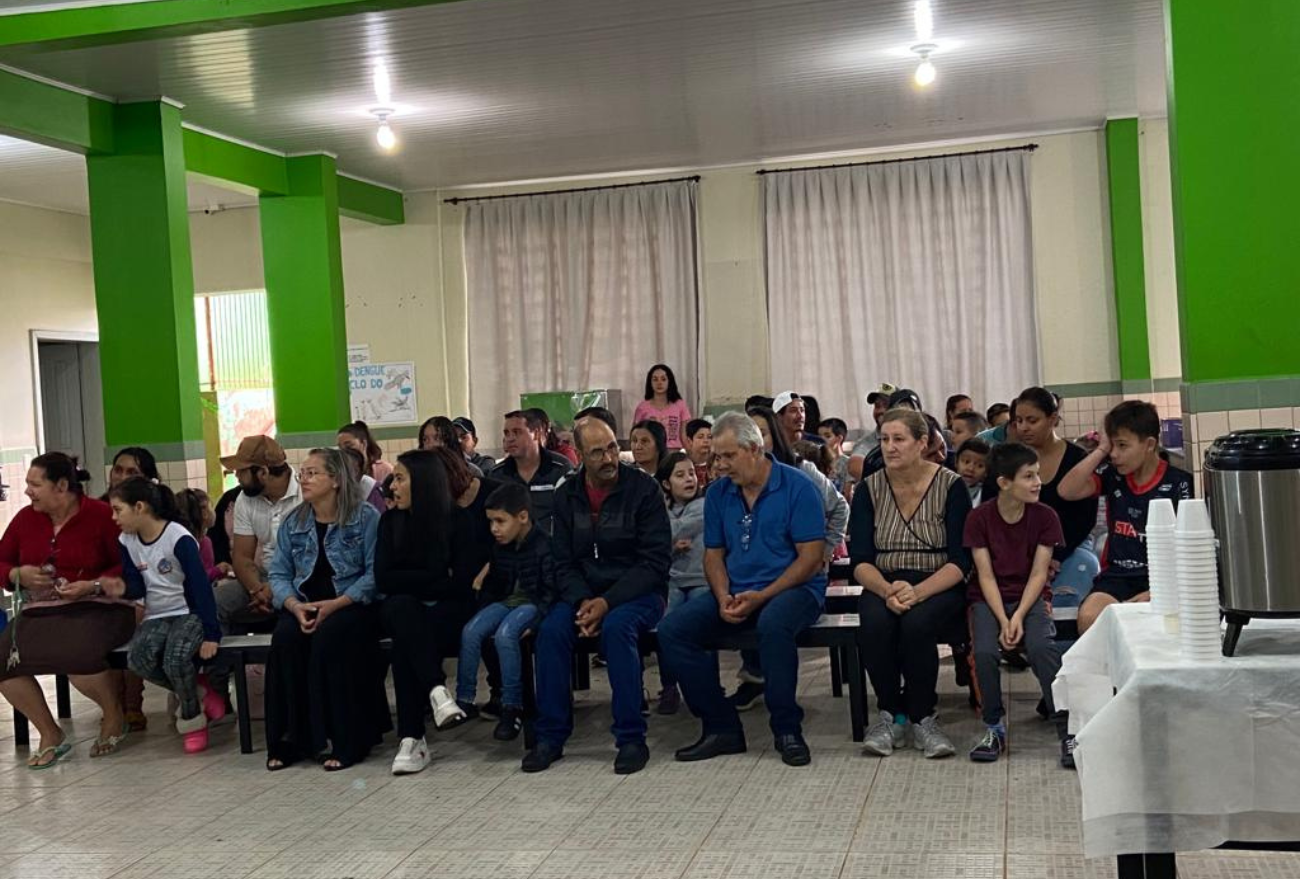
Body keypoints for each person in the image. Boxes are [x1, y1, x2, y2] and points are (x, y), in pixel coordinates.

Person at [658, 412, 828, 767]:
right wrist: (722, 596)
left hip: (794, 588)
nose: (719, 465)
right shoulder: (720, 493)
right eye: (716, 457)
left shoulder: (797, 486)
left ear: (754, 449)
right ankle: (721, 727)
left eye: (727, 456)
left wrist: (763, 597)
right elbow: (714, 556)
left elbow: (810, 559)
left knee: (773, 626)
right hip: (737, 590)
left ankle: (787, 729)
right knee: (674, 631)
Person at [522, 417, 671, 775]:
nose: (608, 459)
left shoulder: (644, 490)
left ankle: (631, 738)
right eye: (596, 453)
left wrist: (606, 603)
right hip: (583, 595)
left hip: (639, 593)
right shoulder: (566, 496)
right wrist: (582, 602)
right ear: (580, 458)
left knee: (618, 628)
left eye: (611, 448)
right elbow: (562, 561)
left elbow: (654, 563)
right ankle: (551, 737)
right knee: (552, 631)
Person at [851, 409, 973, 760]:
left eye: (899, 439)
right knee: (874, 622)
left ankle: (923, 716)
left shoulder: (950, 485)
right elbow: (859, 560)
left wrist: (917, 592)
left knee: (917, 623)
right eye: (884, 439)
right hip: (883, 580)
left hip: (936, 581)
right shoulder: (869, 489)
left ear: (922, 443)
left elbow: (960, 561)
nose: (889, 447)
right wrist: (887, 590)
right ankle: (891, 715)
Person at [0, 453, 134, 767]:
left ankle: (114, 715)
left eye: (35, 484)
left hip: (99, 607)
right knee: (2, 659)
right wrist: (17, 574)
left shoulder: (102, 516)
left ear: (61, 486)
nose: (28, 491)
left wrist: (93, 585)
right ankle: (50, 732)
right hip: (41, 610)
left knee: (76, 653)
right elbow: (2, 561)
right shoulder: (24, 519)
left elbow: (129, 566)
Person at [265, 448, 385, 771]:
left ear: (335, 480)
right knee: (285, 640)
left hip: (350, 604)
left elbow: (376, 574)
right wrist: (293, 605)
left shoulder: (366, 517)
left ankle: (345, 739)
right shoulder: (294, 522)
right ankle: (291, 739)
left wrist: (336, 605)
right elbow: (278, 573)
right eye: (302, 473)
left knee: (330, 638)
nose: (304, 479)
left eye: (313, 473)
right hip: (304, 604)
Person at [732, 405, 848, 708]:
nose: (754, 441)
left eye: (762, 433)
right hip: (756, 572)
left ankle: (780, 703)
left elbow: (840, 509)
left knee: (772, 616)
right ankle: (754, 677)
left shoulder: (800, 470)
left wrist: (824, 550)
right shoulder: (736, 481)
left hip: (800, 573)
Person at [962, 443, 1071, 767]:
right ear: (1004, 482)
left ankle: (1067, 728)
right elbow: (986, 576)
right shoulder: (979, 519)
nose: (1038, 482)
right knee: (983, 652)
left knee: (1041, 648)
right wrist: (1003, 619)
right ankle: (993, 726)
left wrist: (1019, 615)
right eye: (1028, 476)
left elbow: (1039, 573)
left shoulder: (1045, 516)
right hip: (988, 598)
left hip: (1030, 596)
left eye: (1037, 474)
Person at [376, 450, 477, 774]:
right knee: (402, 609)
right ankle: (436, 691)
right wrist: (435, 577)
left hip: (449, 613)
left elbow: (460, 584)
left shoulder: (459, 521)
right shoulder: (390, 522)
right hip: (405, 611)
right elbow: (384, 579)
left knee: (407, 635)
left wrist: (413, 581)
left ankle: (412, 739)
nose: (392, 486)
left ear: (423, 482)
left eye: (401, 478)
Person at [1057, 400, 1193, 634]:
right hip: (1118, 576)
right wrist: (1101, 449)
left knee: (1152, 624)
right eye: (1112, 446)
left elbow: (1191, 549)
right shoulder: (1113, 476)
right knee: (1089, 618)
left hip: (1166, 578)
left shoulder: (1179, 483)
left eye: (1122, 446)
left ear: (1149, 444)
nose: (1115, 454)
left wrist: (1158, 592)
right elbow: (1066, 491)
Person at [110, 478, 223, 753]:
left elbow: (199, 587)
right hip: (156, 615)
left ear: (139, 507)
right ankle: (197, 691)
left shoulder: (178, 537)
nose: (114, 518)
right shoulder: (126, 540)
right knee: (138, 658)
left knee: (175, 658)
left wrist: (211, 633)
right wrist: (121, 588)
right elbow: (137, 585)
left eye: (118, 510)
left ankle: (192, 721)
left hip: (188, 612)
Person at [454, 483, 556, 742]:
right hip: (506, 601)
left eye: (500, 521)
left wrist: (540, 619)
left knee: (506, 635)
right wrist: (484, 602)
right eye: (491, 522)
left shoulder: (544, 545)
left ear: (523, 517)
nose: (494, 529)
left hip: (531, 604)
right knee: (471, 631)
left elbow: (551, 591)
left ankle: (512, 706)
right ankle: (464, 700)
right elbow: (496, 584)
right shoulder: (501, 547)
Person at [213, 436, 301, 702]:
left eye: (241, 470)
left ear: (262, 472)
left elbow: (308, 560)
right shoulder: (245, 499)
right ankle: (216, 689)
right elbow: (241, 556)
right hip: (261, 579)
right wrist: (256, 589)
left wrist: (276, 590)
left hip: (301, 579)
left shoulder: (306, 494)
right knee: (214, 602)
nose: (236, 475)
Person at [1004, 389, 1099, 570]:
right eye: (1019, 420)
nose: (1024, 427)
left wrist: (1056, 557)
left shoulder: (1077, 459)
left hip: (1070, 548)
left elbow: (1085, 519)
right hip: (1019, 549)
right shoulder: (1008, 460)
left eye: (1032, 421)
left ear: (1053, 418)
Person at [104, 446, 160, 732]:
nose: (122, 477)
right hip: (109, 591)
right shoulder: (102, 513)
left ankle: (132, 705)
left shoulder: (158, 517)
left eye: (132, 472)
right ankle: (112, 705)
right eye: (118, 470)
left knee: (136, 616)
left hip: (150, 593)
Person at [654, 451, 706, 715]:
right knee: (666, 624)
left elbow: (675, 528)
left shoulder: (703, 505)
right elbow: (657, 534)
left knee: (698, 625)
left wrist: (669, 536)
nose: (689, 479)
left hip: (701, 580)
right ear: (666, 484)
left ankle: (705, 686)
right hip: (672, 580)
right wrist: (670, 544)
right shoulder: (661, 510)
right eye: (680, 475)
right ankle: (669, 685)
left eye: (692, 474)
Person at [490, 410, 573, 535]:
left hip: (551, 549)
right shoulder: (497, 474)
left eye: (517, 432)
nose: (510, 438)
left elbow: (571, 514)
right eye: (506, 433)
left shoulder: (560, 468)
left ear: (536, 434)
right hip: (512, 551)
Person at [176, 488, 235, 585]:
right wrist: (219, 570)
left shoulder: (180, 539)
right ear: (204, 513)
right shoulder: (204, 542)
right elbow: (199, 578)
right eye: (211, 506)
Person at [633, 363, 692, 449]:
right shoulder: (642, 407)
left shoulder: (680, 405)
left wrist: (690, 455)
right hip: (650, 452)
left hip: (673, 452)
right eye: (655, 380)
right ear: (650, 382)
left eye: (663, 379)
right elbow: (635, 435)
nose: (659, 383)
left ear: (669, 381)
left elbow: (684, 435)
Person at [817, 418, 852, 495]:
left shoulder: (848, 463)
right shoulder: (817, 462)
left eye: (827, 436)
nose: (822, 440)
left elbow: (848, 493)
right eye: (819, 437)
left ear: (839, 438)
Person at [956, 438, 991, 507]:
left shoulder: (988, 497)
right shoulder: (945, 488)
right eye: (966, 462)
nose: (971, 469)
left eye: (980, 466)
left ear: (986, 472)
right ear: (956, 462)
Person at [683, 418, 713, 489]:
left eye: (709, 437)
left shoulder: (716, 464)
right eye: (700, 437)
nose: (706, 441)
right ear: (689, 441)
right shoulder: (682, 462)